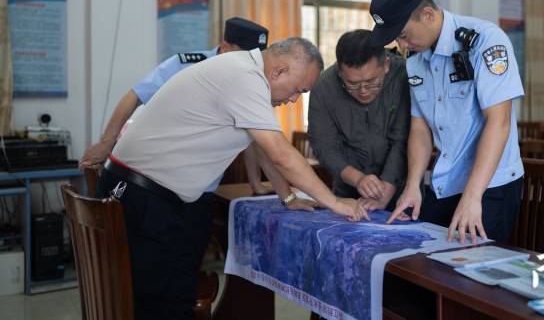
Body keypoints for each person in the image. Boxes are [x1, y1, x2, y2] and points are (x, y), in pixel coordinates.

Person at [95, 37, 368, 320]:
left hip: (141, 192)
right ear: (279, 71)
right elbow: (280, 154)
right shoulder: (245, 78)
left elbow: (264, 148)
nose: (293, 100)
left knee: (173, 297)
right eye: (298, 90)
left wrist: (287, 197)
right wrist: (336, 203)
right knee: (162, 306)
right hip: (142, 198)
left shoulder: (244, 71)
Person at [370, 0, 524, 245]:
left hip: (490, 186)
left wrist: (473, 196)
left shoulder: (485, 41)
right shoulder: (415, 59)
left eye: (403, 35)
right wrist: (413, 185)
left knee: (472, 267)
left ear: (428, 15)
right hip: (447, 182)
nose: (401, 45)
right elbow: (419, 127)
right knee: (424, 256)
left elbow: (498, 122)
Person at [80, 17, 272, 195]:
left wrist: (255, 183)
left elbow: (251, 131)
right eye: (246, 56)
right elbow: (135, 95)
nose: (251, 64)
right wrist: (106, 143)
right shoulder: (186, 65)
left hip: (202, 189)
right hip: (157, 181)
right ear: (224, 48)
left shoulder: (249, 81)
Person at [308, 29, 410, 212]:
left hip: (402, 192)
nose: (363, 91)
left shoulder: (404, 76)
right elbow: (324, 146)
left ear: (386, 65)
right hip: (348, 192)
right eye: (352, 84)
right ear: (340, 72)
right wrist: (358, 179)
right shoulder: (323, 87)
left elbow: (402, 140)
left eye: (371, 82)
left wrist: (386, 188)